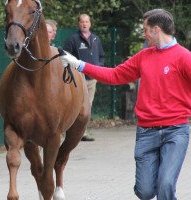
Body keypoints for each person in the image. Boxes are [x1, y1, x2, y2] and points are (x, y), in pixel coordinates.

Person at [60, 9, 191, 199]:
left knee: (166, 184)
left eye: (145, 29)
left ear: (156, 29)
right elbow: (114, 75)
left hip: (176, 131)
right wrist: (78, 64)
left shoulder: (184, 57)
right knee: (145, 191)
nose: (143, 33)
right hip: (146, 131)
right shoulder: (144, 56)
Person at [64, 13, 105, 142]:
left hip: (92, 79)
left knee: (88, 106)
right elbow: (66, 56)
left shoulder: (96, 39)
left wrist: (99, 66)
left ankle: (83, 132)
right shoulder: (73, 39)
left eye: (87, 22)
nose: (84, 24)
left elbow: (102, 56)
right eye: (82, 22)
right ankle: (71, 132)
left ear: (90, 24)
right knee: (75, 106)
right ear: (79, 24)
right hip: (77, 79)